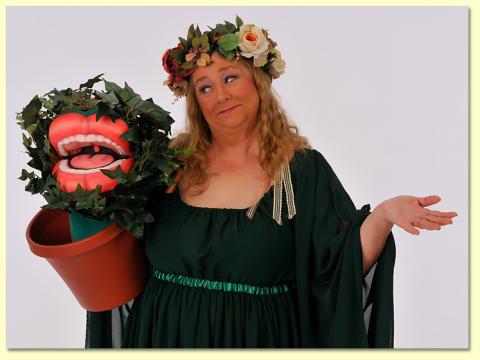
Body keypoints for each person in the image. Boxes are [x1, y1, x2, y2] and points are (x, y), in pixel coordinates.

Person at [85, 17, 457, 348]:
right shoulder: (168, 167)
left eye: (230, 77)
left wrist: (382, 216)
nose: (221, 95)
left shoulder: (300, 171)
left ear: (258, 83)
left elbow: (335, 265)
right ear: (194, 100)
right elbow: (113, 244)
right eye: (205, 87)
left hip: (259, 338)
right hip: (165, 334)